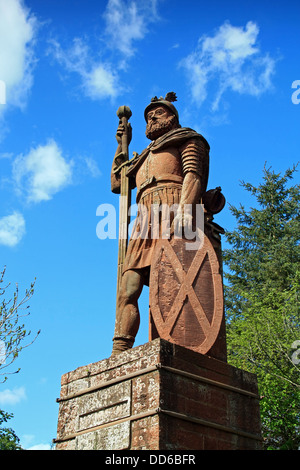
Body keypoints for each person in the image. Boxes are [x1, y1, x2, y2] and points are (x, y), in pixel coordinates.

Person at [110, 93, 210, 355]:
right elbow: (118, 184)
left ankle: (171, 342)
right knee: (128, 286)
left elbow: (194, 174)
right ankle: (120, 349)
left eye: (157, 113)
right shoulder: (141, 156)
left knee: (169, 286)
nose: (151, 117)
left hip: (174, 209)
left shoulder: (188, 138)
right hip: (145, 222)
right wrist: (122, 146)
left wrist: (186, 212)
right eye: (148, 116)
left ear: (172, 117)